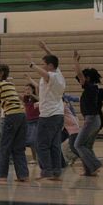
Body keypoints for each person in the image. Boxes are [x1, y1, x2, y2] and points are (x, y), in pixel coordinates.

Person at [26, 41, 66, 181]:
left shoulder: (53, 76)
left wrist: (32, 64)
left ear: (49, 66)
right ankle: (56, 172)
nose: (42, 66)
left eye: (44, 64)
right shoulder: (59, 74)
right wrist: (45, 48)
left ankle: (46, 171)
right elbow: (54, 59)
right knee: (54, 145)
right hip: (58, 114)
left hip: (48, 115)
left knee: (41, 144)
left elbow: (45, 73)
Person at [0, 64, 29, 183]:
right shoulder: (10, 84)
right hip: (22, 115)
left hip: (11, 116)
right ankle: (23, 175)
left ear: (1, 73)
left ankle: (1, 175)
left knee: (4, 146)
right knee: (18, 147)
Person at [72, 50, 103, 176]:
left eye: (82, 79)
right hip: (94, 120)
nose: (80, 82)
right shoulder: (93, 88)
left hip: (91, 120)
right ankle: (89, 170)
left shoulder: (90, 87)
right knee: (85, 146)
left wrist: (75, 61)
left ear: (87, 78)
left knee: (78, 145)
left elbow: (79, 74)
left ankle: (95, 165)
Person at [22, 76, 39, 165]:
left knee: (33, 140)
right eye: (25, 89)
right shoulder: (25, 98)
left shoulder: (35, 97)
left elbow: (40, 99)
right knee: (29, 141)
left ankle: (39, 158)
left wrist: (31, 93)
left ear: (32, 90)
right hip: (28, 121)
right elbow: (18, 96)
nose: (27, 91)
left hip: (37, 121)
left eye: (28, 89)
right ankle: (34, 158)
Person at [61, 97, 80, 166]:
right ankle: (64, 161)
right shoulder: (62, 104)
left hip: (73, 128)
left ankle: (85, 159)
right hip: (66, 128)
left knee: (73, 146)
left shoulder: (63, 105)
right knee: (58, 143)